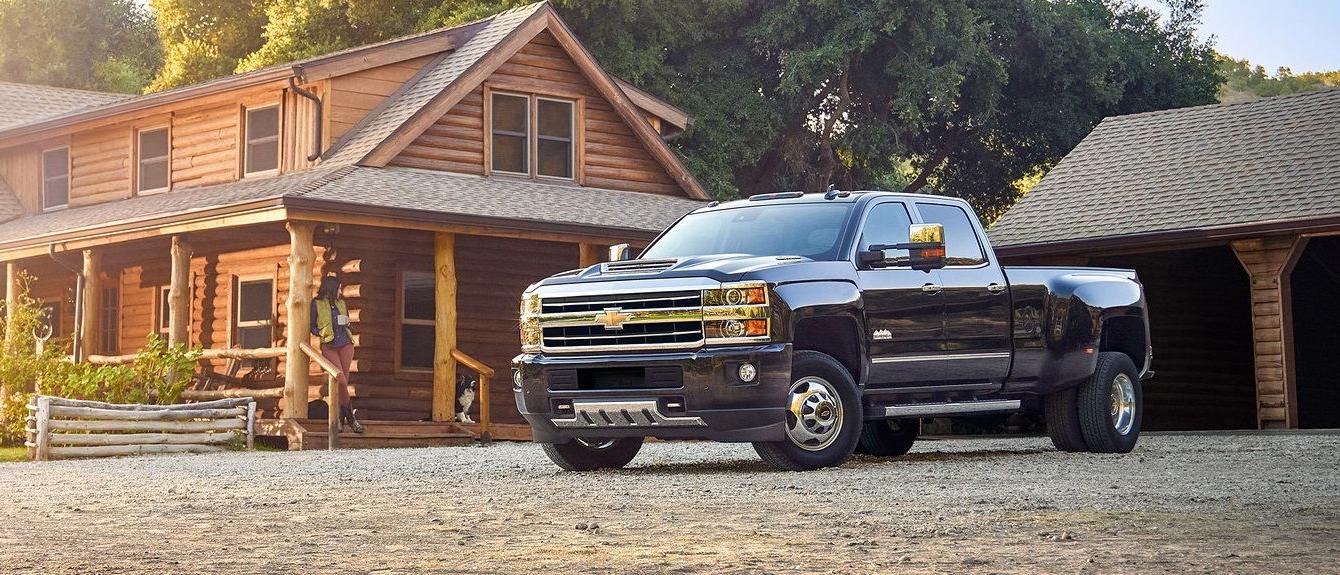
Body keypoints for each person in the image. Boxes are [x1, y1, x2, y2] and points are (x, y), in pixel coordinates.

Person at [310, 275, 363, 433]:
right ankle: (352, 419)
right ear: (332, 288)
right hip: (329, 346)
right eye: (339, 288)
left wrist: (347, 322)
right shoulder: (317, 303)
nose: (340, 291)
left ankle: (340, 420)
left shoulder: (341, 303)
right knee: (341, 381)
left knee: (343, 382)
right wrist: (322, 332)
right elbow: (311, 326)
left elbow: (347, 323)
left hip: (346, 344)